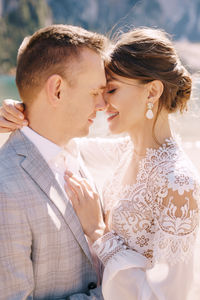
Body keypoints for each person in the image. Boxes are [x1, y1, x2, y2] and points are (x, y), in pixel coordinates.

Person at [1, 27, 200, 300]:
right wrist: (23, 110)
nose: (103, 104)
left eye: (111, 89)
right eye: (98, 91)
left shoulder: (179, 183)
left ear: (152, 91)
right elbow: (52, 140)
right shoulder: (122, 152)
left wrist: (98, 231)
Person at [0, 24, 108, 299]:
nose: (102, 105)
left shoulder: (74, 151)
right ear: (57, 90)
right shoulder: (6, 190)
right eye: (95, 92)